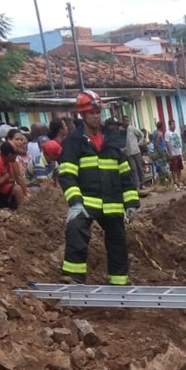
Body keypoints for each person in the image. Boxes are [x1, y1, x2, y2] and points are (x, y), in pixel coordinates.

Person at [58, 90, 140, 285]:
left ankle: (119, 281)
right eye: (91, 112)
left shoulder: (112, 140)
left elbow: (125, 174)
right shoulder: (73, 142)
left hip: (112, 202)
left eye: (98, 112)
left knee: (118, 241)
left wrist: (131, 202)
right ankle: (73, 277)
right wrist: (75, 203)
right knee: (76, 229)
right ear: (83, 115)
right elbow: (67, 175)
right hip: (87, 202)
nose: (96, 116)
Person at [122, 116, 146, 190]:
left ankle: (142, 184)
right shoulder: (121, 130)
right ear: (122, 121)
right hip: (128, 153)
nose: (127, 123)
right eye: (125, 121)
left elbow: (142, 135)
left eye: (128, 121)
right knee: (133, 169)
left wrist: (139, 143)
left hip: (136, 151)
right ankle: (137, 185)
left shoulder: (132, 128)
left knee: (140, 168)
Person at [165, 118, 185, 190]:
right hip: (173, 153)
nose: (174, 126)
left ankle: (179, 180)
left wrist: (181, 152)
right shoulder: (167, 133)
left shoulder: (176, 133)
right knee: (174, 169)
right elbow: (167, 144)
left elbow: (179, 142)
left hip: (178, 152)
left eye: (174, 124)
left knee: (179, 168)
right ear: (169, 125)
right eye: (172, 124)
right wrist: (170, 153)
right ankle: (175, 182)